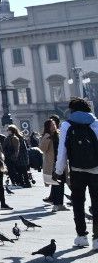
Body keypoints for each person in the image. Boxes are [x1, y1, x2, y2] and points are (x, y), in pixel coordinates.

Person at [53, 97, 98, 249]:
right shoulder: (95, 122)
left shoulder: (67, 125)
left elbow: (62, 151)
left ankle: (82, 236)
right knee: (97, 203)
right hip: (96, 170)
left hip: (77, 170)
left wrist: (58, 170)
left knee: (78, 203)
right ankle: (97, 239)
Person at [40, 117, 67, 210]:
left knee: (61, 182)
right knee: (56, 183)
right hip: (52, 163)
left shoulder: (59, 134)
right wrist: (48, 138)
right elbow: (42, 148)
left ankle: (59, 204)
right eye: (52, 125)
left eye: (54, 124)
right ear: (47, 126)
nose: (54, 126)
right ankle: (57, 204)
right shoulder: (46, 136)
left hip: (60, 161)